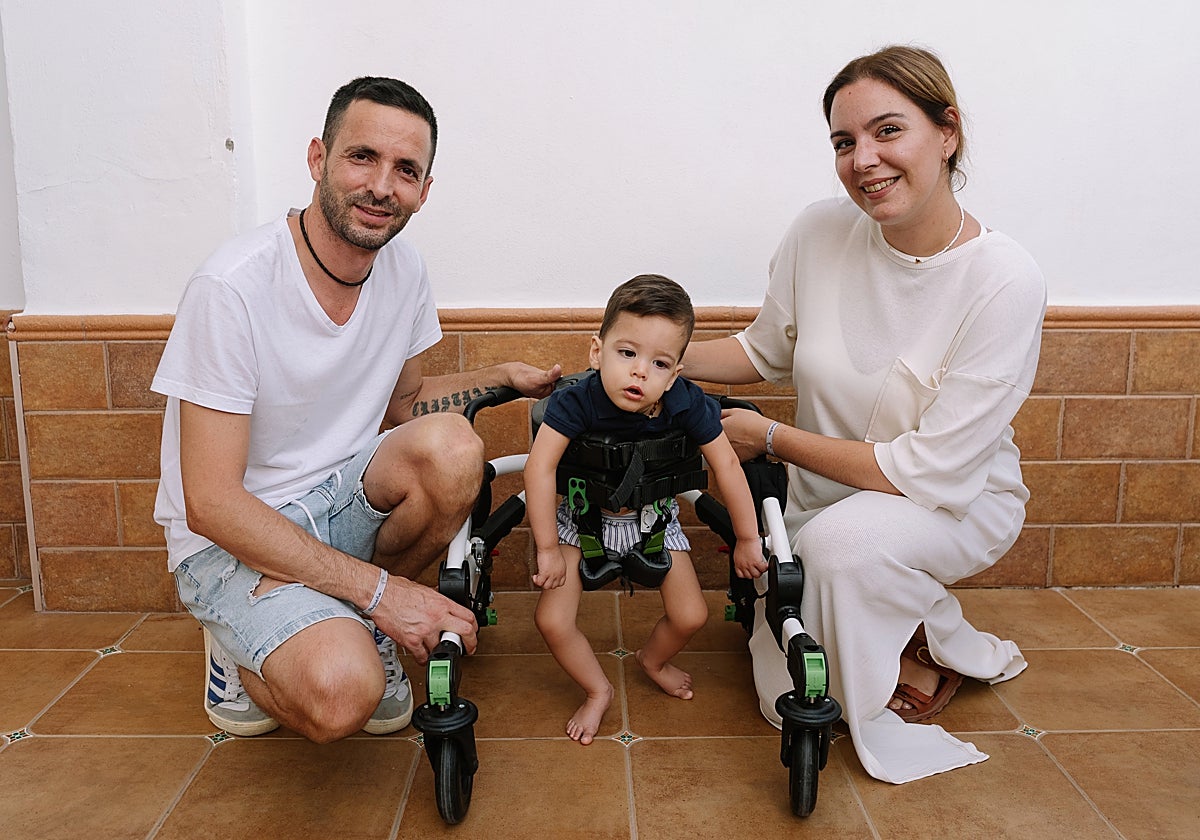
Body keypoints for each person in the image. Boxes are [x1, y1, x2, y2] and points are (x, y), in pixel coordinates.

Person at [152, 76, 560, 743]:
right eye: (361, 157)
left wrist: (500, 377)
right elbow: (212, 502)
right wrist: (382, 593)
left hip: (335, 499)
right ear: (319, 159)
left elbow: (403, 406)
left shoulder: (404, 271)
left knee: (457, 449)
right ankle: (239, 640)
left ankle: (341, 610)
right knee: (345, 697)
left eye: (405, 170)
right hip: (231, 540)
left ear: (424, 192)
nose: (381, 186)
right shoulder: (232, 286)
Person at [682, 46, 1046, 783]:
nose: (863, 160)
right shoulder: (820, 231)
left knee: (841, 553)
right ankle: (901, 627)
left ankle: (930, 639)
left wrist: (772, 437)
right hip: (831, 493)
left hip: (953, 500)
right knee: (780, 688)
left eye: (887, 131)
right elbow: (764, 350)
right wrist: (650, 357)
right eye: (844, 142)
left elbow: (927, 470)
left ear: (947, 133)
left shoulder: (1004, 279)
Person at [525, 274, 765, 745]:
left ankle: (651, 660)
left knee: (692, 615)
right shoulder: (577, 400)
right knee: (551, 620)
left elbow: (728, 467)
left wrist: (748, 537)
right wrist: (547, 548)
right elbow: (539, 469)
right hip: (584, 522)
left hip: (655, 522)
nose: (639, 373)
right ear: (597, 352)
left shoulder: (685, 401)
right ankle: (597, 691)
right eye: (627, 354)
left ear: (675, 373)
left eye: (659, 363)